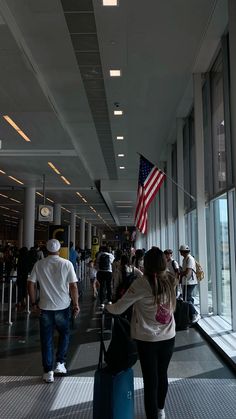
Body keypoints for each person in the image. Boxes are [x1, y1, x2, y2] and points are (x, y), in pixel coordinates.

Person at [106, 247, 177, 419]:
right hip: (168, 336)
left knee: (150, 380)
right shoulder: (171, 280)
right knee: (162, 374)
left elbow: (119, 308)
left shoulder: (141, 283)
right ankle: (160, 410)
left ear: (147, 264)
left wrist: (107, 306)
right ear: (163, 262)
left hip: (147, 338)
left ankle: (152, 415)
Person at [27, 239, 79, 383]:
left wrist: (33, 303)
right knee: (65, 334)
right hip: (63, 306)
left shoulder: (39, 264)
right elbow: (73, 286)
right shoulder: (66, 264)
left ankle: (48, 371)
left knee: (46, 339)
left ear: (46, 249)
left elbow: (30, 283)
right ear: (59, 249)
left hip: (45, 307)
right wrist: (76, 304)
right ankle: (60, 363)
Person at [179, 244, 200, 324]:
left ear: (183, 252)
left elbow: (188, 272)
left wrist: (180, 273)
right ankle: (190, 314)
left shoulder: (190, 259)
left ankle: (195, 313)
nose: (180, 253)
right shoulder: (185, 259)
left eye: (181, 251)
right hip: (186, 282)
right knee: (189, 298)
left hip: (190, 282)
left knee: (187, 298)